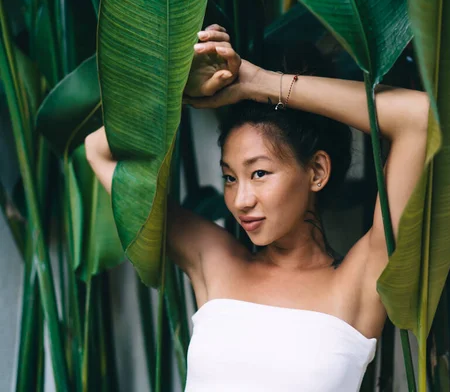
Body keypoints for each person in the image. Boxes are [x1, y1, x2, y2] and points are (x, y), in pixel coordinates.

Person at [85, 23, 429, 392]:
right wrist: (181, 91)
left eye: (260, 173)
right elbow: (99, 151)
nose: (240, 199)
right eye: (230, 178)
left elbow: (418, 117)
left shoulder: (358, 282)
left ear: (316, 171)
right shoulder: (213, 259)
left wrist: (258, 82)